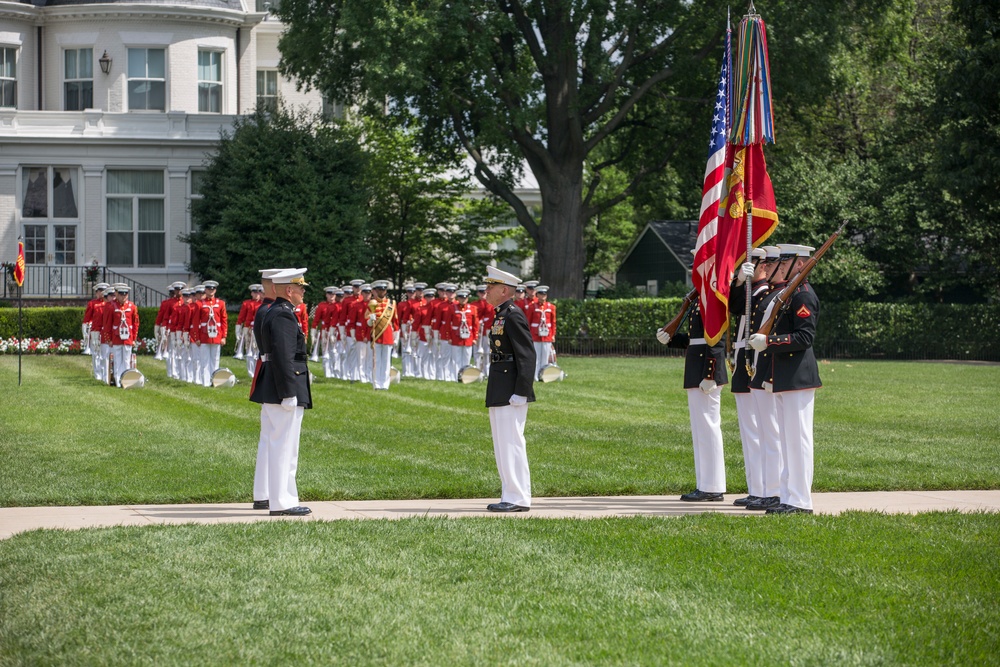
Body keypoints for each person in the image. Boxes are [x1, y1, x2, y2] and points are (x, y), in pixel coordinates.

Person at [749, 243, 821, 515]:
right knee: (788, 441)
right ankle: (788, 496)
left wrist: (769, 341)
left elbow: (805, 338)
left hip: (797, 377)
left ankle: (801, 500)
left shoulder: (803, 295)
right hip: (783, 376)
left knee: (798, 440)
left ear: (800, 265)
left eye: (784, 264)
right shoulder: (789, 294)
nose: (777, 268)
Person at [657, 254, 728, 502]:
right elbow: (695, 340)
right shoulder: (699, 298)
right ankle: (705, 483)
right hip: (696, 367)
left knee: (708, 427)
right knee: (700, 430)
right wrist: (672, 340)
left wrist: (710, 374)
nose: (692, 273)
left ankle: (713, 486)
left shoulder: (712, 297)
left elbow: (716, 339)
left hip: (705, 372)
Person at [249, 268, 312, 517]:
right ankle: (282, 501)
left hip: (274, 386)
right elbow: (284, 357)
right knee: (284, 446)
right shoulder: (284, 315)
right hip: (283, 387)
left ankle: (278, 497)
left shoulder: (274, 311)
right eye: (300, 288)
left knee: (279, 443)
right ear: (289, 290)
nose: (303, 292)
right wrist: (289, 392)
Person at [483, 266, 536, 512]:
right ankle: (510, 493)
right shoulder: (501, 314)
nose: (486, 291)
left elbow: (527, 356)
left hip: (511, 389)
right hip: (500, 385)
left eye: (490, 287)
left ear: (504, 290)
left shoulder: (513, 315)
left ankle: (518, 497)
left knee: (512, 442)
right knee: (502, 444)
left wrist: (522, 391)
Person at [728, 247, 768, 507]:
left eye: (754, 263)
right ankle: (756, 487)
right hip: (743, 361)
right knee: (748, 431)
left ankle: (765, 488)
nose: (749, 265)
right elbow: (732, 308)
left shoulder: (764, 294)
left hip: (754, 361)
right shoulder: (750, 291)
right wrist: (739, 281)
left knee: (759, 430)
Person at [102, 284, 140, 386]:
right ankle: (118, 380)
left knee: (127, 359)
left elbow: (135, 324)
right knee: (118, 359)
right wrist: (108, 339)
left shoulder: (132, 306)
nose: (123, 297)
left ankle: (126, 380)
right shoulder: (110, 306)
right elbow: (107, 324)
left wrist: (134, 339)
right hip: (116, 337)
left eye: (125, 295)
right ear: (117, 294)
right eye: (121, 294)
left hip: (128, 337)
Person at [368, 280, 399, 390]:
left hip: (388, 336)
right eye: (380, 289)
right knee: (376, 362)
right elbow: (366, 321)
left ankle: (385, 385)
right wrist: (370, 320)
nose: (382, 292)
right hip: (376, 336)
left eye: (384, 290)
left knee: (386, 362)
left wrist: (396, 338)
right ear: (376, 291)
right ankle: (376, 384)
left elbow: (395, 323)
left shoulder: (391, 304)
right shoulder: (371, 303)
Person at [196, 280, 227, 386]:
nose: (211, 291)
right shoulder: (199, 304)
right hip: (204, 336)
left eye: (213, 289)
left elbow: (223, 321)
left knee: (215, 360)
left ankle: (215, 382)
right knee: (204, 361)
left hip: (217, 336)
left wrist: (224, 336)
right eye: (209, 289)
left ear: (215, 290)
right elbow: (196, 322)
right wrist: (197, 337)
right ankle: (205, 382)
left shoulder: (221, 303)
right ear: (205, 290)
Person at [528, 285, 556, 380]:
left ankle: (543, 375)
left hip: (547, 335)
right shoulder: (532, 307)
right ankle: (535, 375)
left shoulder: (551, 307)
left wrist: (553, 335)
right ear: (537, 295)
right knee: (536, 356)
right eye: (540, 294)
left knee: (545, 356)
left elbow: (553, 322)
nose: (542, 296)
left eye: (544, 294)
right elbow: (528, 321)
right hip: (535, 334)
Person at [449, 288, 479, 374]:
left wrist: (475, 337)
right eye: (461, 298)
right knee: (456, 359)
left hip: (468, 338)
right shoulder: (452, 308)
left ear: (467, 298)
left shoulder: (473, 308)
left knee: (467, 358)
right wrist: (449, 337)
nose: (463, 299)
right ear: (458, 298)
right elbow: (448, 323)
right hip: (456, 337)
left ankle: (465, 376)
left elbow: (475, 325)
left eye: (465, 298)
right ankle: (456, 376)